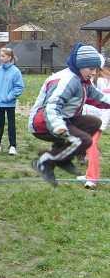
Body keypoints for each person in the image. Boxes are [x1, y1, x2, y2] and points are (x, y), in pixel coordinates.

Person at [29, 43, 110, 186]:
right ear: (80, 66)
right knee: (84, 141)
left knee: (94, 123)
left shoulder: (83, 81)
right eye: (91, 69)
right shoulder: (65, 81)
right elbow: (52, 107)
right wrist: (59, 128)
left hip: (65, 119)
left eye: (96, 69)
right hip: (44, 123)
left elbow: (98, 98)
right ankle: (45, 162)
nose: (94, 72)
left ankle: (62, 157)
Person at [78, 58, 110, 189]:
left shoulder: (102, 80)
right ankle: (90, 174)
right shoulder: (88, 80)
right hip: (89, 118)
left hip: (98, 119)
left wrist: (103, 123)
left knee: (92, 145)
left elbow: (107, 102)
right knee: (88, 145)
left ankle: (92, 178)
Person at [0, 47, 24, 155]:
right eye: (0, 56)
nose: (1, 58)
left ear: (9, 57)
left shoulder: (15, 72)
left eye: (3, 56)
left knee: (11, 125)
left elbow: (19, 87)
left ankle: (13, 146)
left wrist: (8, 97)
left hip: (9, 103)